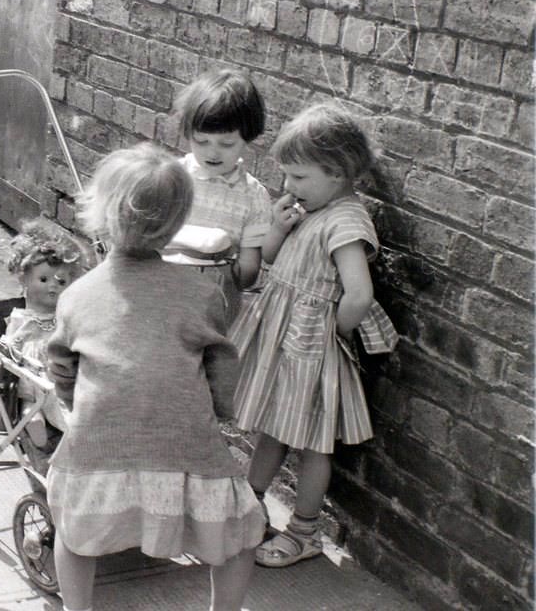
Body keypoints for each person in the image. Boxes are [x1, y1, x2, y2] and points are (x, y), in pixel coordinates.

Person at [45, 144, 263, 611]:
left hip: (99, 438)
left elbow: (62, 364)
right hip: (181, 438)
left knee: (75, 534)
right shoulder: (201, 295)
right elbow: (223, 367)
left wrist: (71, 400)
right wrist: (223, 414)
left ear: (100, 214)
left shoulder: (77, 295)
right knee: (240, 535)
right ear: (179, 220)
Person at [229, 103, 397, 568]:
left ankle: (304, 532)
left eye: (299, 177)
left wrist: (329, 336)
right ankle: (248, 506)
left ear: (339, 173)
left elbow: (359, 294)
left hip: (310, 347)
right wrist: (280, 228)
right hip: (287, 344)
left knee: (312, 443)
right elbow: (269, 259)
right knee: (272, 429)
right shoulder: (310, 208)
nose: (289, 187)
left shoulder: (345, 220)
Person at [162, 69, 273, 324]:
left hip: (214, 301)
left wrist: (230, 274)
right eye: (202, 141)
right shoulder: (172, 178)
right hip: (163, 290)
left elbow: (249, 268)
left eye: (226, 144)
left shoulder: (253, 196)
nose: (213, 152)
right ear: (189, 134)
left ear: (247, 138)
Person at [0, 219, 89, 464]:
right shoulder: (22, 318)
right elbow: (12, 344)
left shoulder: (65, 315)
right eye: (44, 280)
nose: (53, 286)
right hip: (34, 376)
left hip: (59, 373)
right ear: (24, 280)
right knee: (36, 404)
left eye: (61, 282)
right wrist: (13, 346)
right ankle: (35, 421)